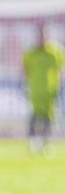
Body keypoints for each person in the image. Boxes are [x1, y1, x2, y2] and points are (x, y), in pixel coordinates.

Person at [22, 21, 64, 153]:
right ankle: (32, 142)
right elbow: (25, 70)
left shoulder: (55, 52)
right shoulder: (30, 53)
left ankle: (45, 143)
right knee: (35, 116)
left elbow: (60, 69)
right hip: (35, 90)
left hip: (50, 90)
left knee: (48, 117)